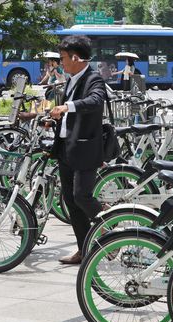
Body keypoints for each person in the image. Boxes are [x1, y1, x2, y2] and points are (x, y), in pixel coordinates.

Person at [49, 35, 106, 265]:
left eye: (63, 58)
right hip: (66, 148)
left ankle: (110, 234)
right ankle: (83, 250)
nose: (61, 63)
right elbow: (68, 117)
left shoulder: (94, 79)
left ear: (75, 57)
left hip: (85, 149)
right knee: (71, 201)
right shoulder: (71, 79)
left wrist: (67, 106)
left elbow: (95, 101)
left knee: (82, 196)